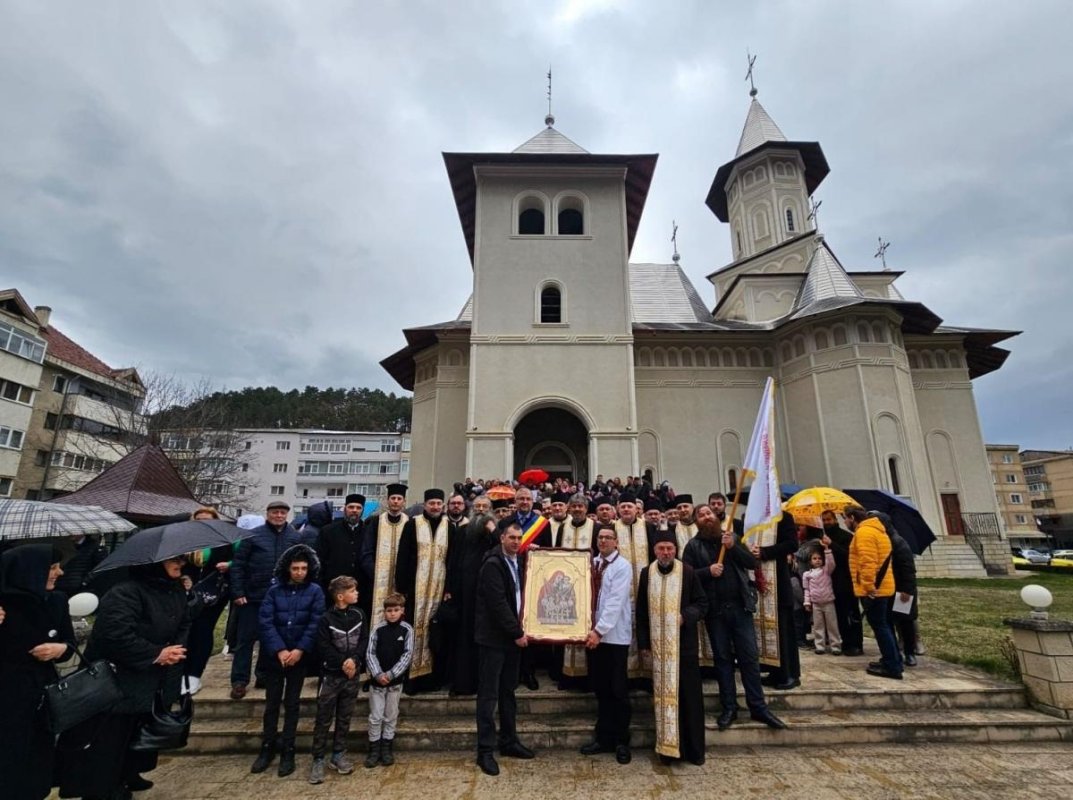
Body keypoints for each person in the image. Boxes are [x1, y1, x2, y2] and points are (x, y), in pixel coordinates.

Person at [57, 557, 191, 800]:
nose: (180, 563)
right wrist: (155, 653)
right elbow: (114, 634)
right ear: (154, 564)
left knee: (137, 732)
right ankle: (104, 789)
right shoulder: (125, 593)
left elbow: (183, 622)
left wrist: (175, 649)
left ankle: (129, 773)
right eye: (174, 560)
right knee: (111, 740)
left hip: (153, 677)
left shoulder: (174, 589)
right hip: (119, 680)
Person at [682, 504, 785, 731]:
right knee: (723, 660)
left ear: (716, 516)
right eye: (701, 515)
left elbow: (752, 563)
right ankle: (729, 707)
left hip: (740, 608)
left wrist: (732, 548)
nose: (706, 517)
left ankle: (758, 706)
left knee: (749, 659)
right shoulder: (693, 546)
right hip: (715, 612)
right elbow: (686, 577)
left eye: (709, 513)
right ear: (696, 522)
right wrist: (707, 572)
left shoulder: (731, 539)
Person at [0, 544, 74, 800]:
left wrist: (59, 649)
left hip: (42, 691)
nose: (60, 572)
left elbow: (69, 644)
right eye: (52, 567)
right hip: (7, 693)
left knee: (38, 754)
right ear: (29, 571)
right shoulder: (3, 602)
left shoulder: (57, 600)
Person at [229, 500, 316, 699]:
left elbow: (300, 565)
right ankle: (239, 680)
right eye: (275, 512)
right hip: (253, 596)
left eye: (282, 513)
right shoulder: (252, 535)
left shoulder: (294, 537)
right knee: (245, 640)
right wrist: (238, 592)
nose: (279, 516)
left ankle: (263, 675)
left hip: (280, 597)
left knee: (270, 639)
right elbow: (238, 565)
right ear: (268, 514)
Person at [252, 544, 325, 777]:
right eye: (295, 568)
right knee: (272, 703)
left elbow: (315, 622)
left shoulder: (315, 591)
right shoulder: (274, 591)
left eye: (304, 568)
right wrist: (280, 650)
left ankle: (288, 748)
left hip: (299, 657)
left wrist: (300, 650)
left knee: (292, 703)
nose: (299, 572)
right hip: (275, 656)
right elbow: (265, 621)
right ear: (288, 569)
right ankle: (267, 746)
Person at [637, 533, 709, 765]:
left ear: (675, 549)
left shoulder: (687, 572)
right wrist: (644, 644)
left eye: (669, 548)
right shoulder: (647, 573)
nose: (666, 553)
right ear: (655, 550)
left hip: (684, 647)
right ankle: (667, 751)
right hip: (659, 650)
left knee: (690, 699)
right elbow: (640, 612)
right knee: (663, 700)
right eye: (661, 548)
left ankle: (694, 751)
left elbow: (702, 604)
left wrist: (685, 616)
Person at [473, 519, 536, 776]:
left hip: (510, 640)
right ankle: (485, 751)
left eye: (519, 538)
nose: (516, 542)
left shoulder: (518, 561)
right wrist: (518, 632)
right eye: (512, 538)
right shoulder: (492, 564)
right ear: (501, 538)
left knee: (508, 692)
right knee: (488, 696)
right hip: (494, 639)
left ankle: (509, 741)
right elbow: (498, 604)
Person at [579, 526, 634, 764]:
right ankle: (603, 738)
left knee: (617, 690)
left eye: (608, 537)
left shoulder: (622, 566)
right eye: (600, 537)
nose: (603, 541)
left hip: (612, 637)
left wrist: (599, 631)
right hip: (593, 635)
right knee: (601, 689)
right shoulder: (592, 562)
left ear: (616, 541)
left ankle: (621, 740)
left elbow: (614, 602)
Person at [394, 488, 457, 693]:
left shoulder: (450, 527)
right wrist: (402, 587)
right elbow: (403, 556)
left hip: (439, 590)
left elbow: (453, 561)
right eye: (432, 503)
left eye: (439, 503)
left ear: (443, 505)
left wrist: (449, 588)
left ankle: (434, 679)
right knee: (413, 630)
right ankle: (412, 679)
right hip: (415, 590)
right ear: (425, 505)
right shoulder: (413, 524)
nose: (436, 507)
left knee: (436, 633)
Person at [309, 575, 367, 785]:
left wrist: (355, 660)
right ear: (341, 596)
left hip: (352, 674)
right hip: (333, 675)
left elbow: (363, 640)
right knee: (324, 717)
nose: (357, 593)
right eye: (353, 591)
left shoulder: (359, 614)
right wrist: (343, 662)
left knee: (345, 716)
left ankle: (338, 753)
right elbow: (323, 646)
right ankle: (317, 758)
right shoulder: (326, 619)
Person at [845, 506, 902, 680]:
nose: (845, 522)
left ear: (853, 518)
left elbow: (867, 562)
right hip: (883, 587)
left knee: (880, 626)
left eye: (845, 518)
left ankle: (892, 666)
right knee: (885, 625)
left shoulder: (864, 533)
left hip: (874, 589)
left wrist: (869, 588)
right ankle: (892, 660)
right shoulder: (877, 530)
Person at [183, 506, 234, 694]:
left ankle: (194, 673)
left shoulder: (224, 540)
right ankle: (180, 671)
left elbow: (239, 559)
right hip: (186, 591)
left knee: (203, 629)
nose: (204, 522)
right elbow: (176, 561)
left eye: (208, 519)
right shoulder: (185, 540)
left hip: (214, 592)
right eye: (199, 519)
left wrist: (229, 565)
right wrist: (183, 577)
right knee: (185, 630)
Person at [365, 592, 414, 768]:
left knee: (390, 715)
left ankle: (387, 747)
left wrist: (392, 674)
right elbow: (370, 653)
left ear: (402, 611)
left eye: (396, 610)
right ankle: (374, 749)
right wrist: (378, 673)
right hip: (377, 682)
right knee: (375, 715)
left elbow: (407, 654)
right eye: (389, 610)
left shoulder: (407, 630)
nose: (392, 613)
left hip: (395, 682)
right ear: (384, 612)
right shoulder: (377, 630)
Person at [451, 511, 498, 695]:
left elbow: (503, 547)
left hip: (487, 597)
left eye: (484, 507)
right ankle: (464, 683)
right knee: (464, 639)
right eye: (477, 506)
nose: (480, 510)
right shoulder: (464, 531)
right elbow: (453, 561)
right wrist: (451, 589)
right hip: (465, 595)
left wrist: (493, 530)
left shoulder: (494, 533)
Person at [757, 514, 802, 690]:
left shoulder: (783, 517)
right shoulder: (754, 518)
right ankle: (774, 670)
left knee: (784, 630)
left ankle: (790, 673)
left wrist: (765, 552)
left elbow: (792, 544)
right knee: (768, 631)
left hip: (779, 580)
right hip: (761, 580)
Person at [872, 511, 920, 667]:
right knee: (888, 621)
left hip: (901, 590)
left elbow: (908, 569)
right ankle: (894, 652)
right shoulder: (882, 540)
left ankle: (910, 652)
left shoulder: (898, 543)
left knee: (905, 622)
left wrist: (907, 590)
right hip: (888, 588)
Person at [361, 484, 410, 629]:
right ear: (388, 501)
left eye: (399, 498)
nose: (395, 501)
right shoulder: (375, 522)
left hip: (401, 582)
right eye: (393, 498)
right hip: (376, 581)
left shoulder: (410, 522)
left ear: (404, 502)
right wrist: (374, 573)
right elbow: (366, 551)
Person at [317, 494, 369, 619]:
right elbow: (320, 560)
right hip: (334, 590)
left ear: (362, 510)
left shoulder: (368, 531)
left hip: (361, 590)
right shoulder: (328, 531)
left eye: (358, 507)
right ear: (345, 508)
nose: (354, 510)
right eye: (351, 507)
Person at [821, 509, 863, 656]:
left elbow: (848, 556)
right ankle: (843, 641)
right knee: (838, 614)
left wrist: (831, 544)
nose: (827, 523)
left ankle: (856, 643)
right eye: (824, 520)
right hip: (830, 582)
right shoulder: (822, 538)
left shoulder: (846, 536)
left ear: (835, 520)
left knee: (851, 613)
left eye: (829, 520)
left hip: (845, 581)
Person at [802, 544, 841, 655]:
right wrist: (807, 602)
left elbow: (831, 564)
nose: (817, 560)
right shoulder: (807, 575)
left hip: (828, 602)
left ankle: (836, 646)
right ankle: (819, 646)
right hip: (816, 604)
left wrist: (827, 551)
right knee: (818, 626)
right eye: (814, 558)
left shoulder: (826, 571)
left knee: (832, 625)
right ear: (810, 561)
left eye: (819, 558)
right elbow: (806, 590)